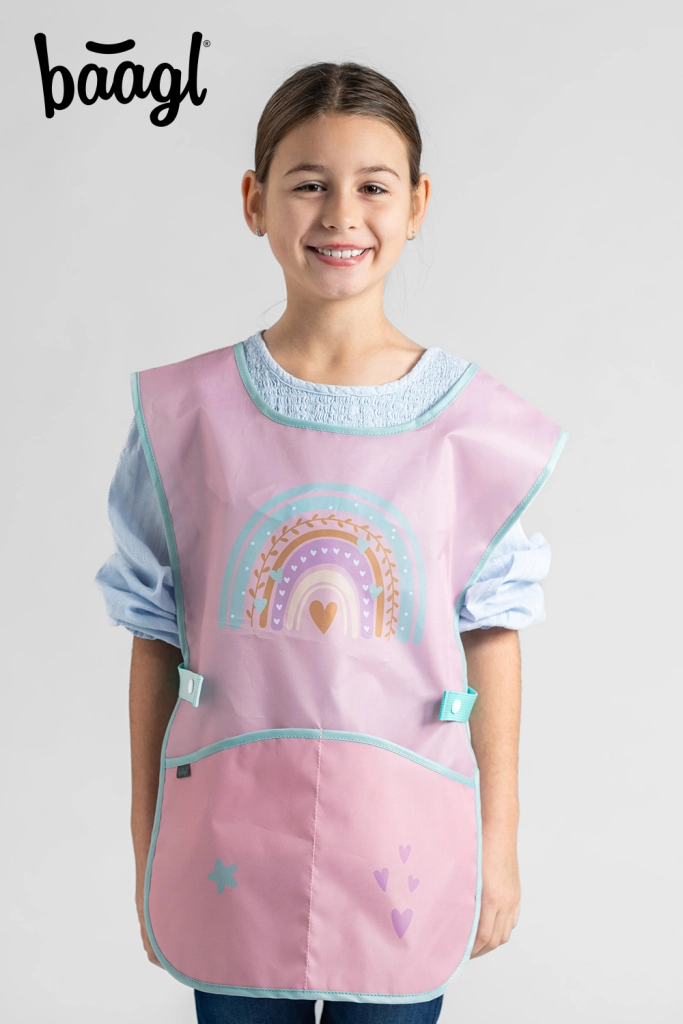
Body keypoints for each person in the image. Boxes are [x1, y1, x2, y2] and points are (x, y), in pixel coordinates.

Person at [95, 61, 566, 1024]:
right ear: (254, 200)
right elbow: (154, 636)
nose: (340, 214)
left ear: (417, 204)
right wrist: (148, 840)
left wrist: (500, 842)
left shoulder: (471, 427)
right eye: (308, 182)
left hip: (405, 836)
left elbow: (491, 631)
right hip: (228, 833)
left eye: (373, 186)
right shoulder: (189, 414)